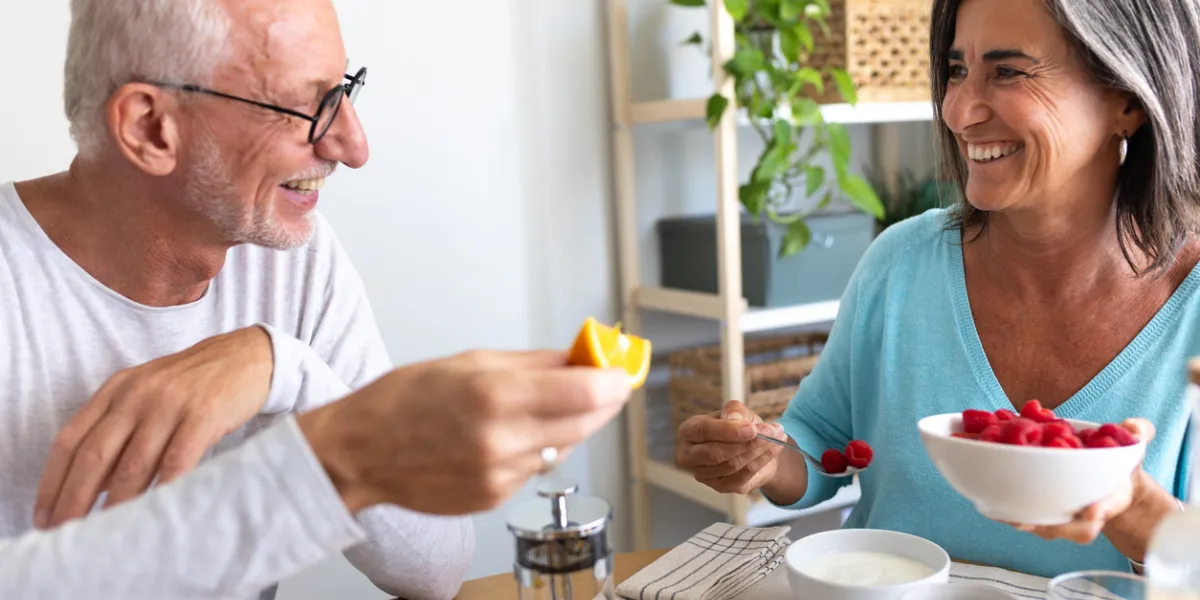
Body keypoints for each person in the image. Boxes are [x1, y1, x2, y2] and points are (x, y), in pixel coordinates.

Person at [0, 0, 634, 598]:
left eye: (343, 91)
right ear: (150, 127)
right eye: (308, 107)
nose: (353, 147)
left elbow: (436, 568)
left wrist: (286, 372)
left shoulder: (291, 259)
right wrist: (335, 453)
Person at [676, 0, 1200, 580]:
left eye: (1008, 71)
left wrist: (1134, 510)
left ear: (1127, 99)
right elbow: (821, 441)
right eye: (955, 70)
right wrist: (764, 457)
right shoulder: (899, 263)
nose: (957, 110)